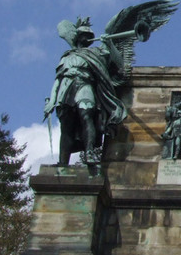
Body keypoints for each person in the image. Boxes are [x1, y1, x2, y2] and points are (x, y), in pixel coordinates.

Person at [44, 18, 126, 165]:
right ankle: (63, 162)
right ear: (78, 36)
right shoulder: (67, 56)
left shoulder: (97, 52)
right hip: (67, 86)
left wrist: (109, 44)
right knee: (66, 125)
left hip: (85, 84)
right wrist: (52, 101)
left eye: (89, 35)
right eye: (84, 34)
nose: (87, 37)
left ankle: (89, 153)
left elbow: (119, 63)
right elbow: (58, 80)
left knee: (86, 115)